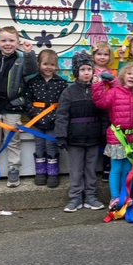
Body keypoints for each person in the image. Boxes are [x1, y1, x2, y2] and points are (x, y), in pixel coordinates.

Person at [0, 26, 38, 189]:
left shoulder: (21, 60)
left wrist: (29, 54)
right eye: (3, 40)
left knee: (12, 141)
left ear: (17, 42)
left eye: (11, 40)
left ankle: (14, 169)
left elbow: (32, 72)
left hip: (13, 108)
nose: (7, 44)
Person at [55, 52, 107, 213]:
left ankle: (91, 195)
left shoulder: (98, 90)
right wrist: (61, 135)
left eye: (89, 69)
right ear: (76, 71)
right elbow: (62, 114)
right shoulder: (68, 92)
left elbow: (104, 113)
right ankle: (76, 197)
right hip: (74, 138)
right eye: (82, 69)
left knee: (90, 168)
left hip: (93, 137)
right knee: (76, 169)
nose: (86, 73)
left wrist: (105, 133)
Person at [92, 61, 133, 209]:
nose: (132, 77)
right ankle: (115, 198)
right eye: (129, 73)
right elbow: (101, 103)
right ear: (123, 75)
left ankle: (125, 196)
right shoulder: (115, 92)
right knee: (116, 168)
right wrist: (97, 86)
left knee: (128, 169)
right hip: (117, 136)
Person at [25, 49, 68, 187]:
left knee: (51, 146)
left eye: (52, 64)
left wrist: (57, 118)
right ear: (38, 65)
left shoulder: (61, 83)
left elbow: (64, 104)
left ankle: (53, 174)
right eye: (45, 64)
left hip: (54, 122)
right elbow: (27, 100)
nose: (48, 67)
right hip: (36, 121)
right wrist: (33, 113)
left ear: (56, 66)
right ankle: (40, 173)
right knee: (39, 146)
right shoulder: (32, 82)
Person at [91, 41, 116, 182]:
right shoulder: (90, 69)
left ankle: (108, 166)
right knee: (94, 137)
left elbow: (118, 86)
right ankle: (91, 168)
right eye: (99, 54)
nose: (102, 57)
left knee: (108, 138)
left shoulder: (112, 72)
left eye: (105, 54)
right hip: (92, 106)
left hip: (108, 108)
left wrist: (111, 80)